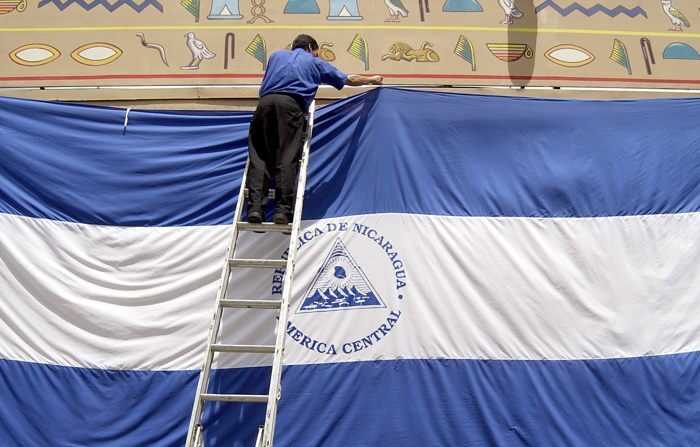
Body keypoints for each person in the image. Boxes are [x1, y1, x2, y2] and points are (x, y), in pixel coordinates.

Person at [246, 34, 383, 225]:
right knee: (287, 156)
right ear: (311, 47)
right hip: (290, 106)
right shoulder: (315, 62)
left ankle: (254, 209)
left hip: (264, 105)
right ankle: (282, 211)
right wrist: (373, 80)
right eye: (316, 52)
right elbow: (348, 79)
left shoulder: (276, 56)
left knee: (260, 157)